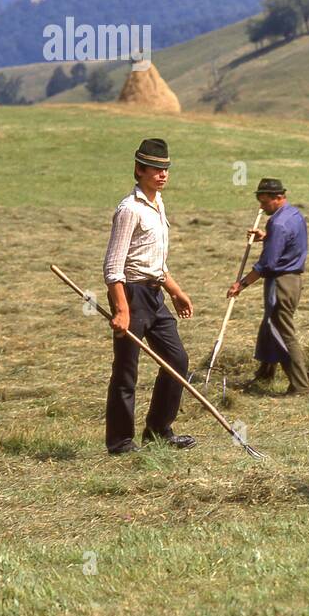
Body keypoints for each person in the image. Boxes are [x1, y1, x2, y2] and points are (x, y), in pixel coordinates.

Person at [102, 138, 196, 454]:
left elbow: (154, 261)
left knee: (177, 360)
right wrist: (122, 309)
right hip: (131, 294)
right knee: (127, 370)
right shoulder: (129, 210)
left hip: (155, 296)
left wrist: (177, 292)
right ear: (139, 170)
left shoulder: (158, 205)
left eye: (165, 169)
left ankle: (158, 431)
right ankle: (120, 441)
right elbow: (114, 266)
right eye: (155, 169)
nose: (162, 174)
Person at [228, 178, 309, 394]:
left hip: (281, 283)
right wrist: (268, 238)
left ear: (278, 198)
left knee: (282, 332)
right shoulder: (293, 214)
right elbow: (286, 241)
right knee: (268, 327)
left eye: (265, 203)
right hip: (294, 281)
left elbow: (267, 264)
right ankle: (265, 375)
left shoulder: (278, 223)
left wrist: (242, 284)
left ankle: (300, 386)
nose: (262, 207)